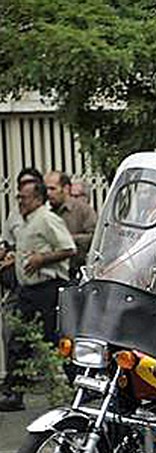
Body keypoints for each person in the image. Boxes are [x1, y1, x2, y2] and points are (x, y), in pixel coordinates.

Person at [1, 171, 76, 411]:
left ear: (37, 198)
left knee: (56, 340)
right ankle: (14, 393)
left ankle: (76, 387)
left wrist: (42, 258)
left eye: (24, 198)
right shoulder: (26, 221)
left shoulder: (47, 218)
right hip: (29, 290)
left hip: (47, 289)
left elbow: (68, 248)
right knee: (19, 340)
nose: (20, 202)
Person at [45, 170, 97, 279]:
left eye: (52, 189)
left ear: (66, 189)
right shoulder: (46, 213)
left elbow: (95, 237)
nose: (48, 193)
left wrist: (68, 240)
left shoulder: (83, 210)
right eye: (46, 189)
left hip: (77, 272)